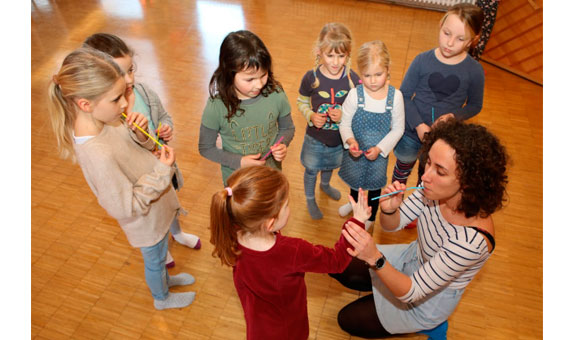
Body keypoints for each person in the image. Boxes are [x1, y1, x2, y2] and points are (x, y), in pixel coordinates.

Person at [331, 119, 508, 339]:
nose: (425, 176)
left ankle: (431, 324)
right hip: (413, 257)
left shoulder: (471, 242)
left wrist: (375, 258)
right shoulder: (432, 190)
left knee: (347, 320)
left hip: (425, 299)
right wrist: (388, 210)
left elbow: (412, 292)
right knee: (339, 264)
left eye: (440, 171)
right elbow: (392, 226)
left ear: (469, 182)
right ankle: (382, 288)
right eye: (429, 162)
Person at [48, 48, 196, 310]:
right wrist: (162, 170)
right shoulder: (97, 154)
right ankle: (161, 298)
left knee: (161, 258)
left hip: (156, 213)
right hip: (146, 224)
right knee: (154, 260)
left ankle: (166, 281)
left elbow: (133, 156)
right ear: (86, 104)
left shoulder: (107, 123)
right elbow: (124, 206)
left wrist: (140, 135)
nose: (126, 104)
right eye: (117, 99)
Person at [209, 166, 371, 340]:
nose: (289, 208)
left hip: (258, 328)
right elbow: (337, 261)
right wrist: (357, 221)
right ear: (270, 224)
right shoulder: (293, 251)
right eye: (286, 205)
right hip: (288, 329)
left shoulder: (234, 233)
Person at [83, 33, 201, 267]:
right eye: (119, 74)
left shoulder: (144, 92)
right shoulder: (108, 117)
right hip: (145, 180)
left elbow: (163, 116)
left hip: (164, 167)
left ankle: (177, 233)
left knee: (169, 204)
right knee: (155, 218)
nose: (128, 80)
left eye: (130, 69)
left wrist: (167, 127)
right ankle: (163, 246)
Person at [392, 3, 485, 187]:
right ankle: (394, 208)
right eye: (446, 33)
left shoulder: (475, 71)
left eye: (460, 39)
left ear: (472, 40)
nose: (450, 43)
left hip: (444, 140)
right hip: (411, 134)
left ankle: (420, 214)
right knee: (399, 178)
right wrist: (418, 125)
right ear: (440, 26)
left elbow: (475, 105)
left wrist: (453, 117)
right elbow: (403, 95)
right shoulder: (422, 60)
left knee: (427, 182)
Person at [198, 30, 296, 185]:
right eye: (249, 79)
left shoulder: (276, 94)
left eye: (263, 75)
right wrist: (239, 161)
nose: (258, 84)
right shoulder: (216, 107)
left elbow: (287, 128)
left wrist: (281, 144)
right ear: (229, 74)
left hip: (271, 175)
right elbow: (206, 148)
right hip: (238, 181)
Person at [337, 40, 405, 232]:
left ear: (388, 69)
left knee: (374, 188)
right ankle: (354, 205)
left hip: (378, 155)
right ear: (360, 72)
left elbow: (398, 129)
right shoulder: (354, 95)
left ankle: (371, 217)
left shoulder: (396, 97)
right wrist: (350, 141)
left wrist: (380, 149)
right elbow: (345, 123)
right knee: (354, 182)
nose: (373, 80)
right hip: (356, 152)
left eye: (378, 74)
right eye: (367, 75)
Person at [297, 22, 360, 220]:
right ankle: (309, 197)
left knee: (331, 165)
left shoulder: (352, 79)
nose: (335, 62)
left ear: (348, 54)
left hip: (338, 140)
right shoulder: (311, 78)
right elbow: (301, 102)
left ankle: (325, 185)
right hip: (315, 139)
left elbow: (359, 106)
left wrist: (345, 115)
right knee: (311, 169)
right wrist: (310, 116)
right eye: (330, 55)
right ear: (319, 52)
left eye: (341, 56)